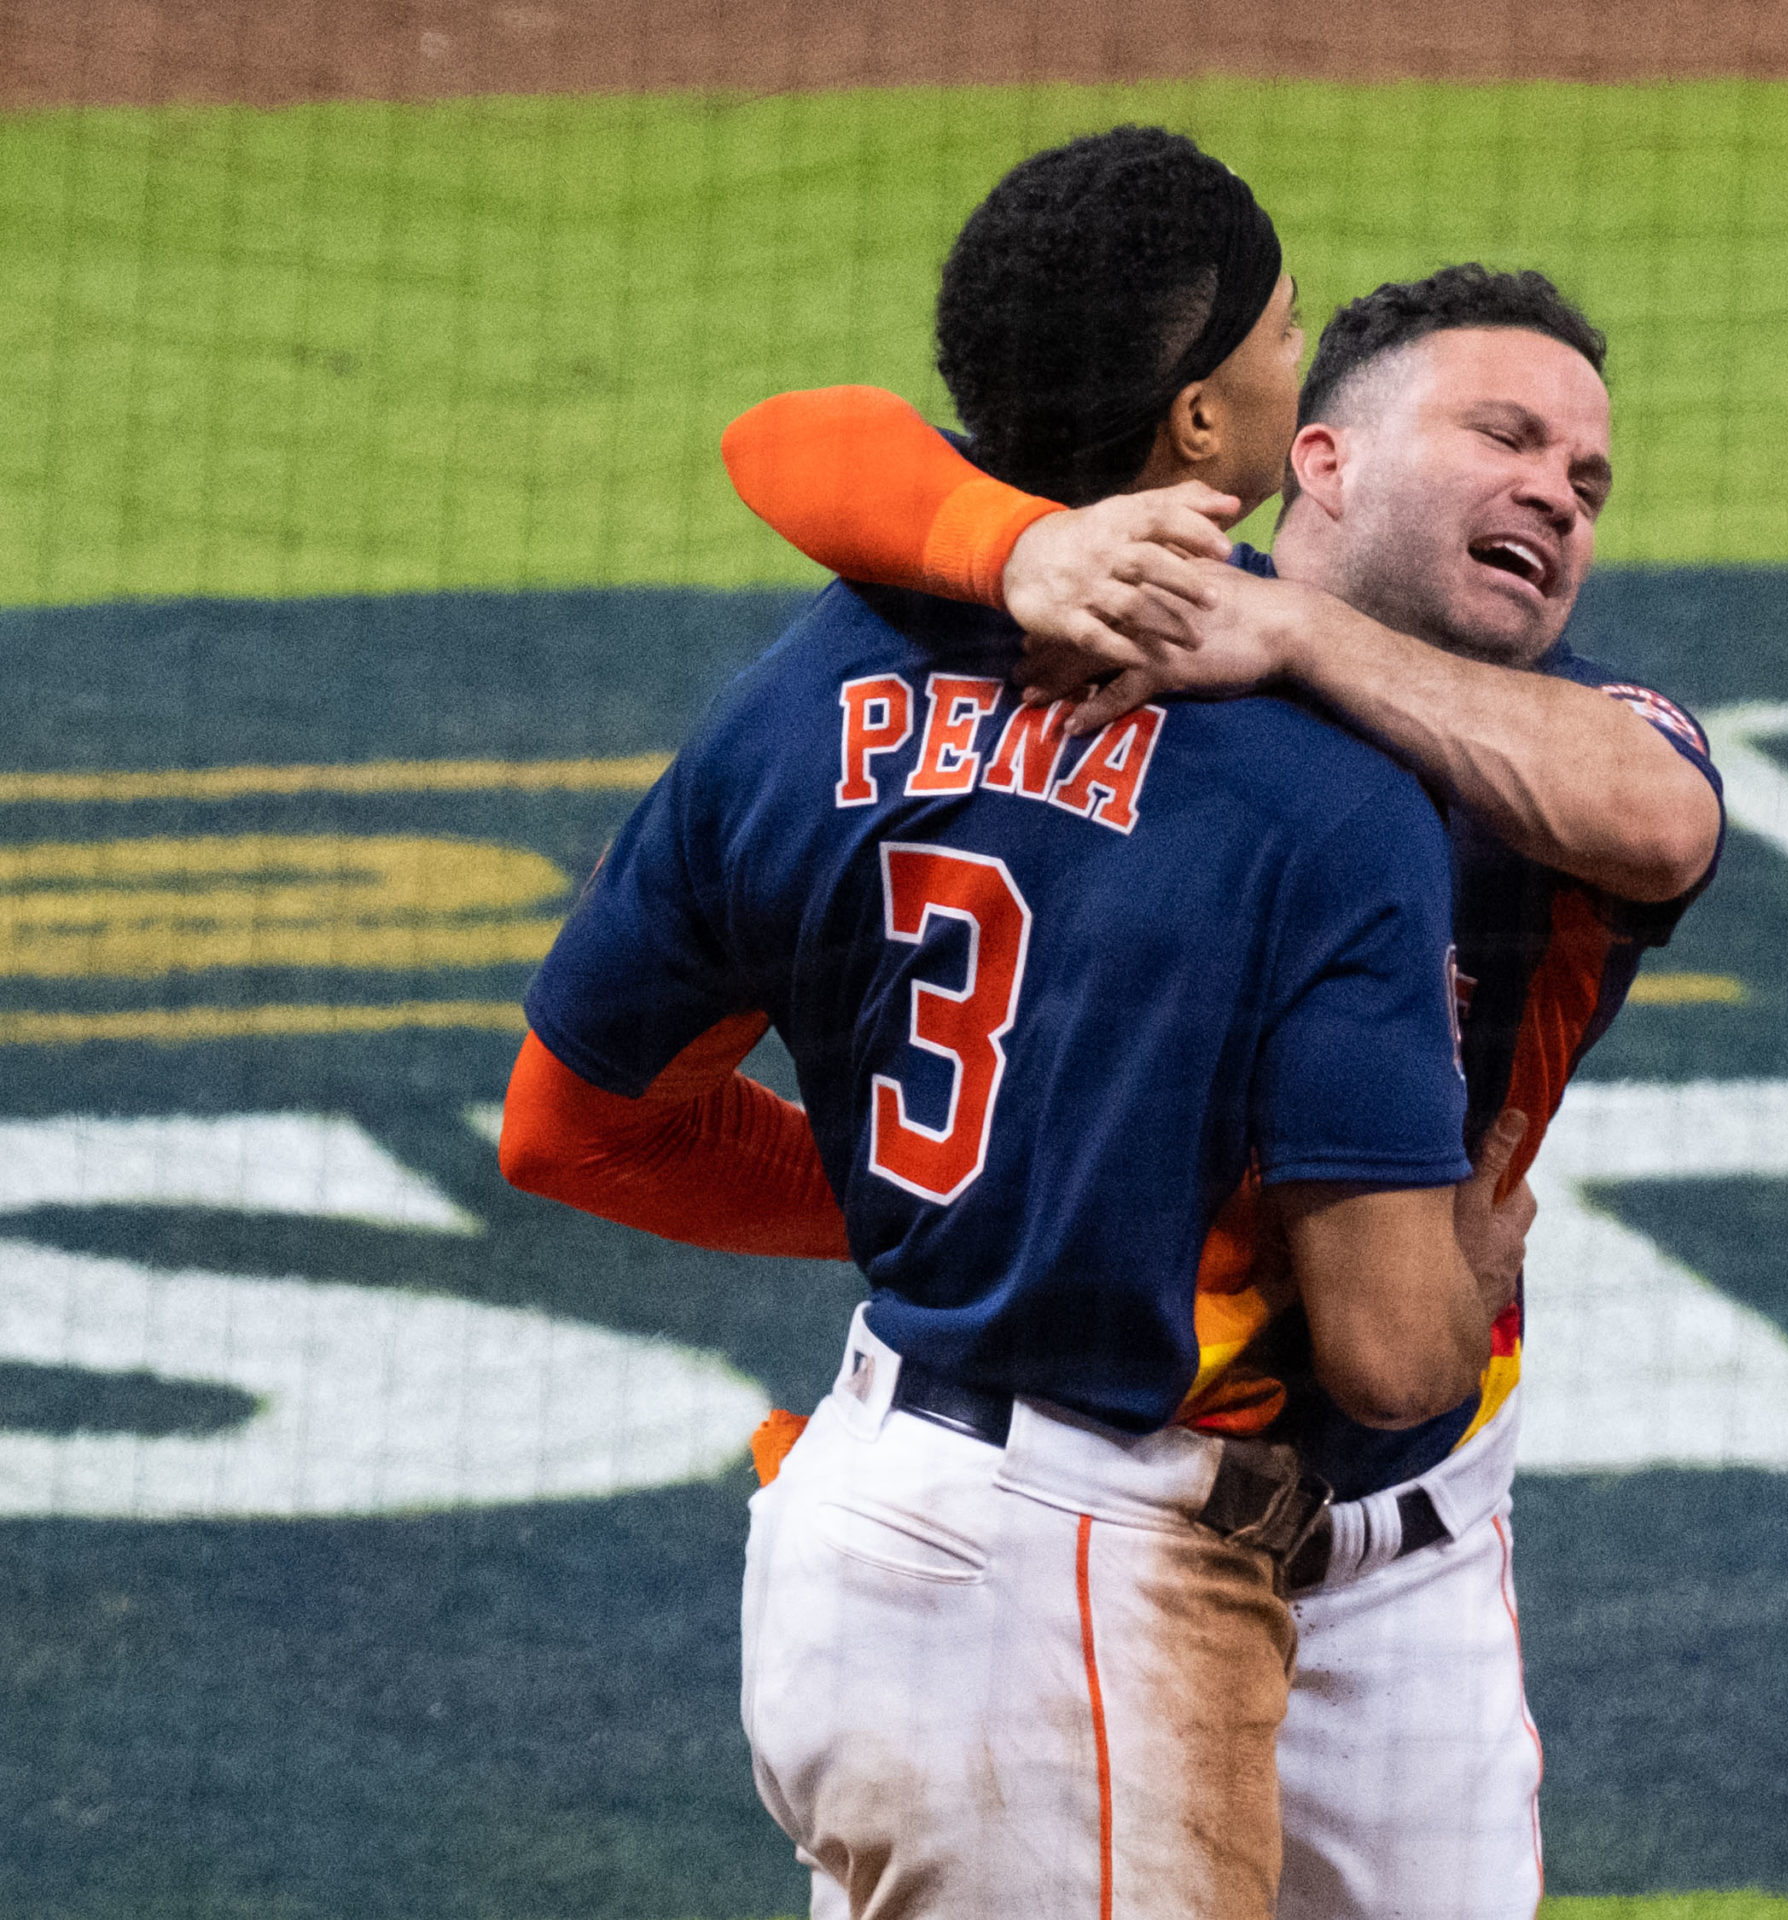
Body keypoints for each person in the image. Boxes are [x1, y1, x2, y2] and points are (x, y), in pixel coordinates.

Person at [499, 127, 1536, 1919]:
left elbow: (572, 1126)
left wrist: (957, 1202)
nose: (1303, 358)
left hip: (868, 1535)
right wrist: (1465, 1267)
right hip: (1082, 1610)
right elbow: (1389, 1358)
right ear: (1206, 427)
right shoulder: (1329, 792)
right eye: (1284, 330)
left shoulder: (805, 687)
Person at [724, 234, 1728, 1916]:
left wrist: (1294, 643)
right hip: (1095, 1520)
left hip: (1399, 1564)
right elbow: (796, 445)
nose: (1559, 491)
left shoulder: (1578, 730)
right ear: (1317, 458)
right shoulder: (1122, 607)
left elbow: (1660, 818)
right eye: (1504, 437)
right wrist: (1023, 549)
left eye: (1590, 476)